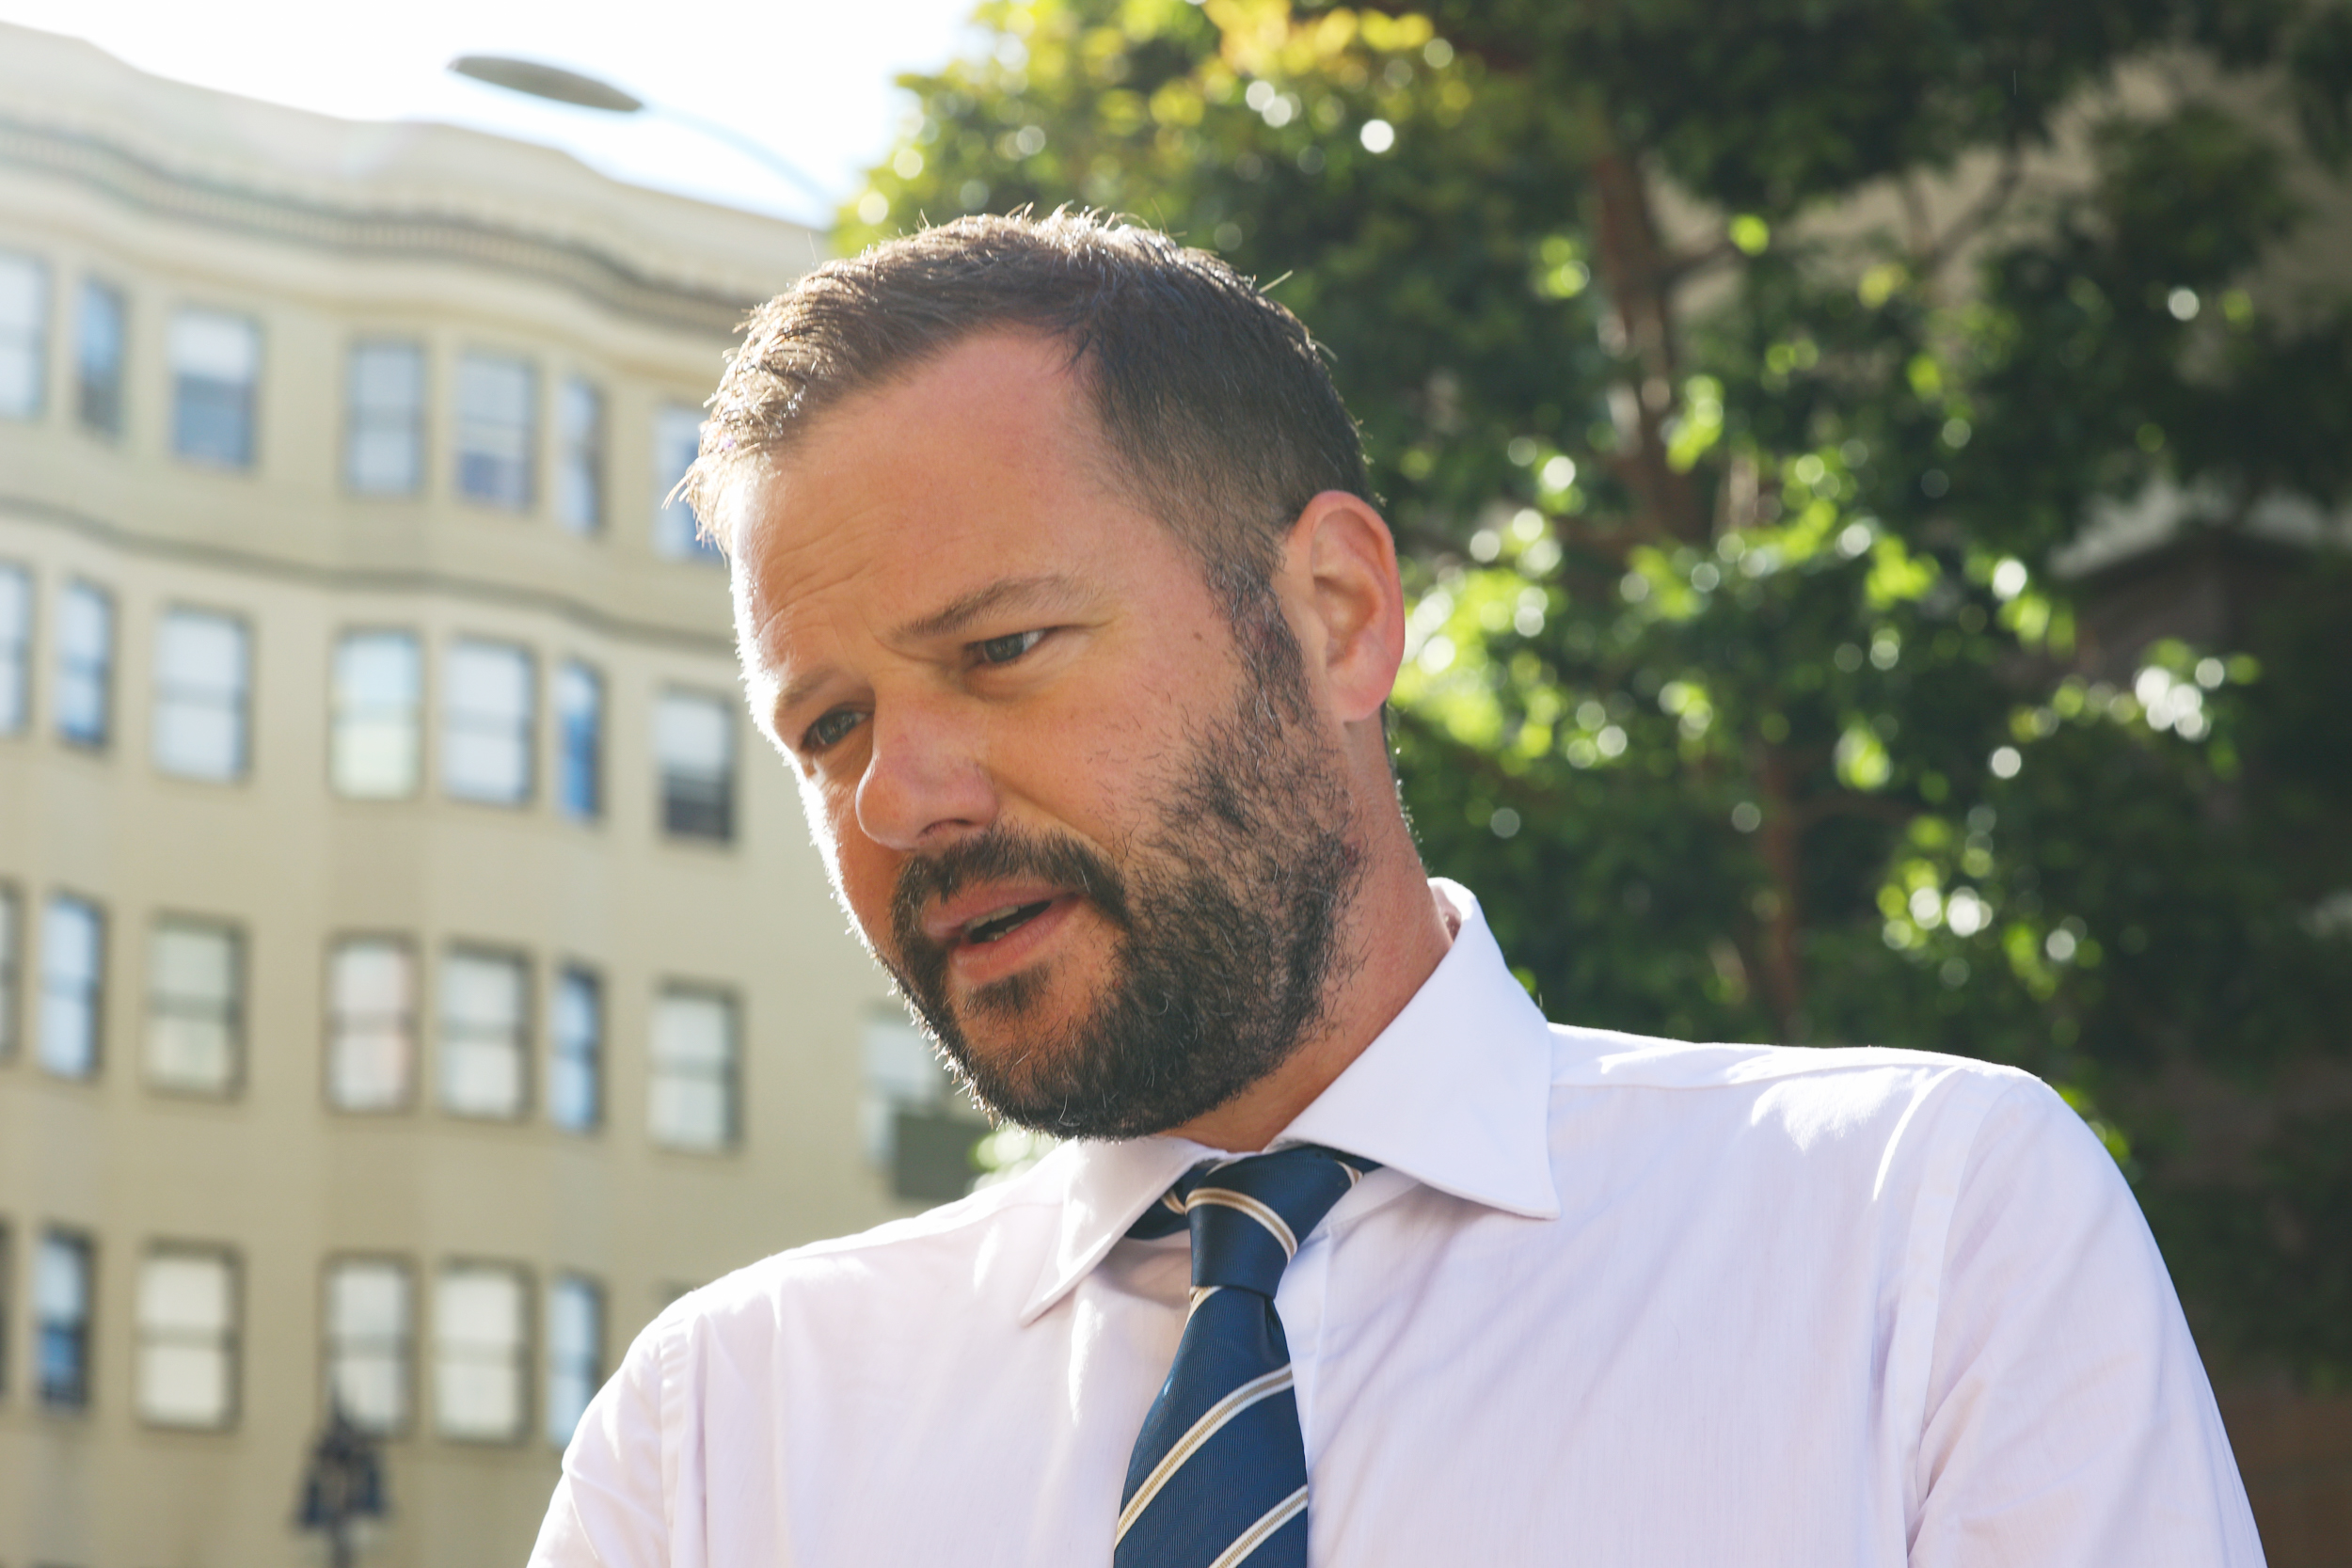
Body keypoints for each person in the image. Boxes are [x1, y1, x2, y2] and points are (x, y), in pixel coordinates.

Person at [528, 211, 2262, 1567]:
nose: (897, 798)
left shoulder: (1918, 1236)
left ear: (1339, 612)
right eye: (827, 727)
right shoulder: (717, 1442)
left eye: (1003, 648)